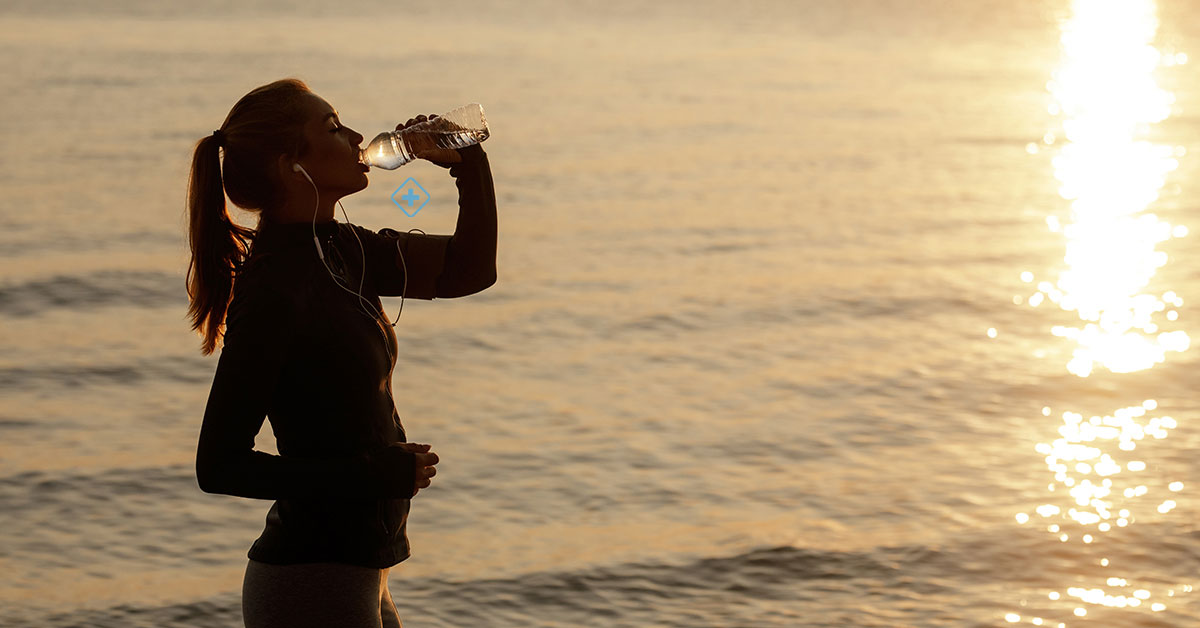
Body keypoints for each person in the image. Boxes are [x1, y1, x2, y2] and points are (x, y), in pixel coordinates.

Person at [185, 78, 497, 627]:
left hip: (361, 575)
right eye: (332, 128)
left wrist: (467, 163)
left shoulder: (342, 248)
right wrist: (370, 474)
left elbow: (470, 271)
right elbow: (219, 465)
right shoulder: (275, 288)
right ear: (291, 166)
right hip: (310, 581)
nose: (356, 136)